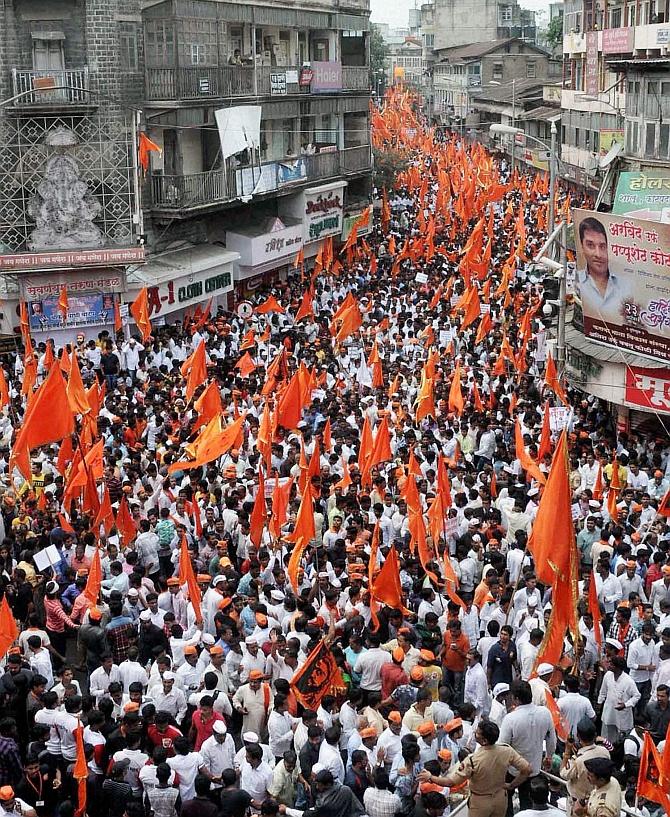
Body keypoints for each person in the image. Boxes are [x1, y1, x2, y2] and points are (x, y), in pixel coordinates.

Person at [419, 720, 532, 817]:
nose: (474, 733)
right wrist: (511, 785)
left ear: (484, 741)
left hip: (480, 803)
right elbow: (527, 769)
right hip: (500, 799)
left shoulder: (472, 760)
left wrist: (431, 777)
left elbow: (450, 782)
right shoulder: (507, 750)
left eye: (477, 733)